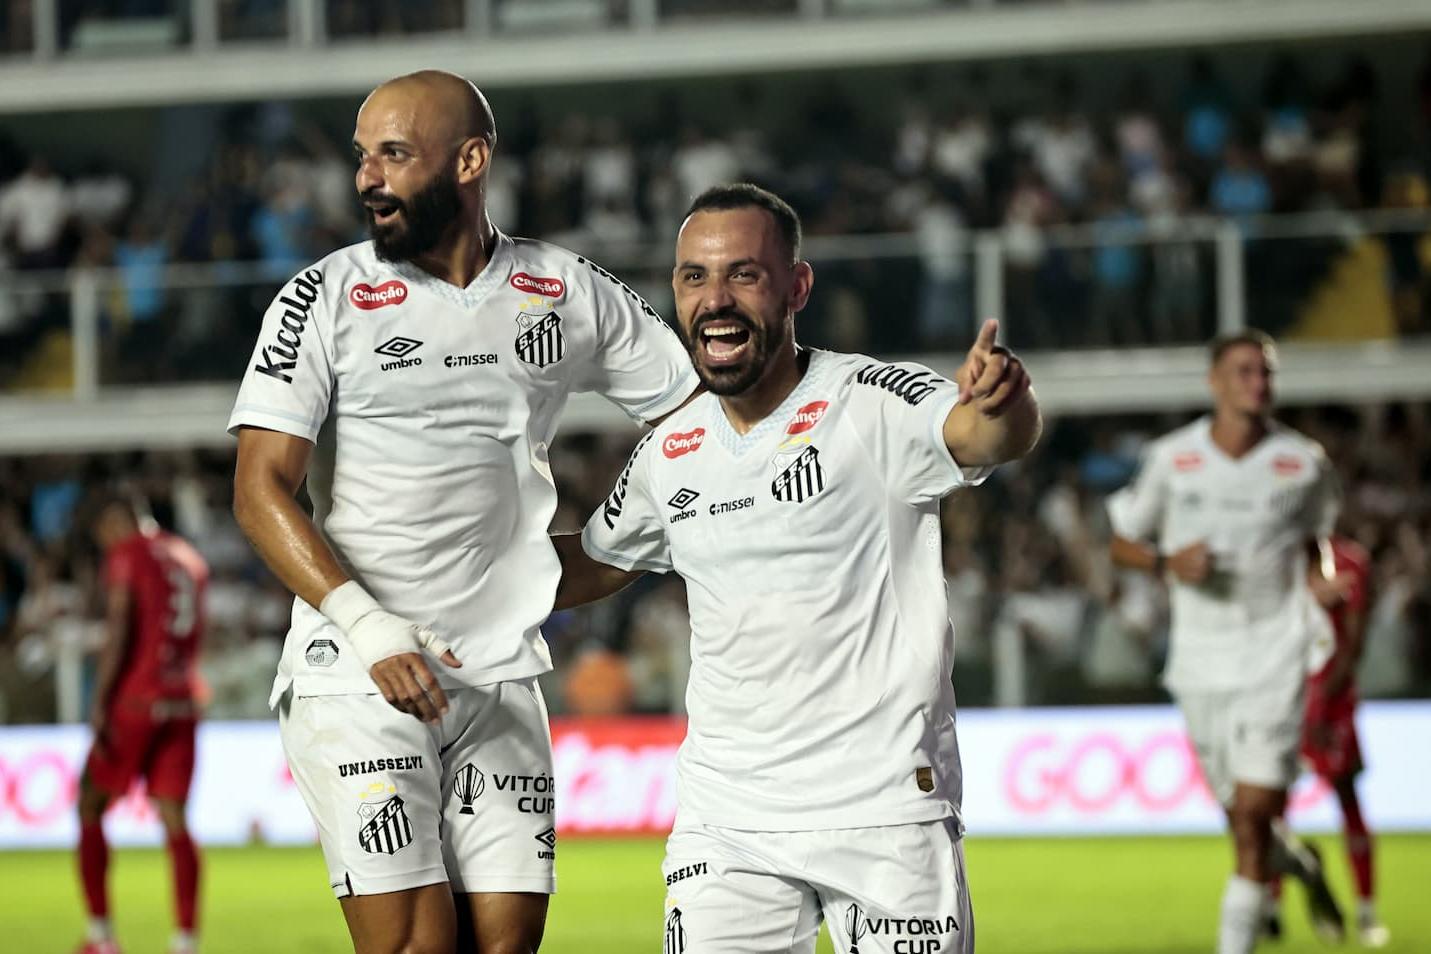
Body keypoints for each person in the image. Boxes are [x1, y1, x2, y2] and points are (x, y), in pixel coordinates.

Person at [228, 70, 697, 954]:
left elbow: (694, 422)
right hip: (361, 677)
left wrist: (624, 542)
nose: (367, 177)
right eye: (362, 156)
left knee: (507, 947)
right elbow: (258, 491)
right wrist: (371, 630)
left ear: (472, 160)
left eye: (394, 154)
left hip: (500, 677)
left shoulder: (564, 289)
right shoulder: (320, 298)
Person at [552, 183, 1042, 953]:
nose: (714, 299)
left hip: (882, 811)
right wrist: (429, 568)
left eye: (743, 275)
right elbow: (590, 563)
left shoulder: (870, 401)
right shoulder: (668, 451)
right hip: (727, 821)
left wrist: (1003, 399)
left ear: (797, 286)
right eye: (693, 277)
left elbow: (983, 435)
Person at [1107, 330, 1346, 954]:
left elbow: (1317, 541)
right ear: (1214, 382)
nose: (1258, 384)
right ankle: (1299, 864)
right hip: (1200, 662)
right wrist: (1165, 563)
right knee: (1244, 817)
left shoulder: (1303, 461)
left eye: (1265, 373)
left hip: (1277, 651)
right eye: (1244, 372)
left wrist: (1322, 584)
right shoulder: (1172, 458)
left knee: (1249, 818)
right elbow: (1122, 542)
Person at [76, 492, 209, 954]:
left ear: (116, 522)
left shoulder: (128, 553)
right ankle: (185, 942)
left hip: (135, 700)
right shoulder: (188, 556)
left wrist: (100, 699)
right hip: (183, 699)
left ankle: (100, 937)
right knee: (174, 818)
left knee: (89, 803)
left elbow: (121, 625)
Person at [1277, 533, 1389, 946]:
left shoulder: (1351, 561)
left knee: (1347, 796)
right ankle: (1271, 908)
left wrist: (1323, 703)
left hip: (1332, 702)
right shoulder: (1277, 556)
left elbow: (1354, 641)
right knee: (1271, 808)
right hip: (1285, 699)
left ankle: (1365, 913)